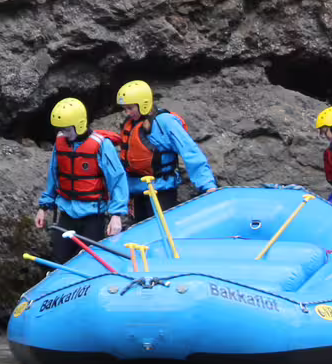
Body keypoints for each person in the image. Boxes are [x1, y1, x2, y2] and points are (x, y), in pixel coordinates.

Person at [33, 98, 126, 263]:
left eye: (68, 130)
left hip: (93, 216)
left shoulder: (102, 145)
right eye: (61, 129)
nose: (64, 134)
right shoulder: (61, 143)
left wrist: (116, 214)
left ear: (80, 124)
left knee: (90, 261)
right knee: (59, 259)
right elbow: (54, 177)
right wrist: (44, 206)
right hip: (67, 214)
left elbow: (117, 180)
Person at [113, 80, 216, 222]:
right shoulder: (130, 125)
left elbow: (190, 152)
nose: (127, 113)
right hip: (137, 193)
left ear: (143, 104)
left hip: (162, 191)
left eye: (130, 108)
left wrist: (207, 186)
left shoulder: (165, 122)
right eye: (125, 109)